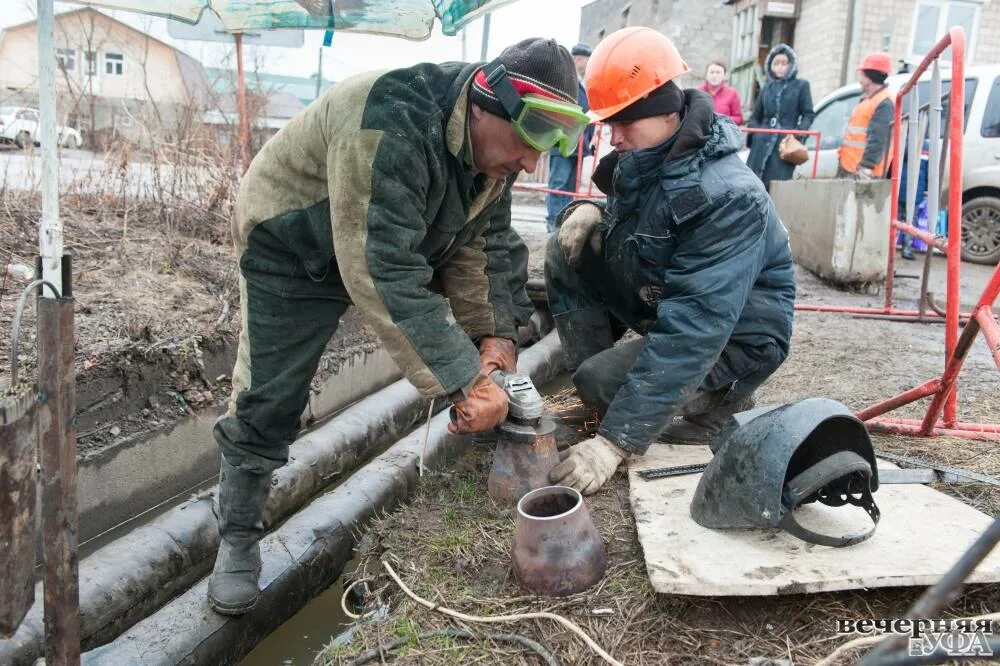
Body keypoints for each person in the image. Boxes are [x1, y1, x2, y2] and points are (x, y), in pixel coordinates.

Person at [207, 38, 589, 615]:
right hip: (293, 243)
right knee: (271, 396)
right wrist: (465, 382)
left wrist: (495, 339)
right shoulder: (390, 120)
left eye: (546, 148)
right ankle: (236, 534)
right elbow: (381, 271)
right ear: (486, 105)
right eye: (527, 143)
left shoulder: (494, 150)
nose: (533, 164)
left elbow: (480, 245)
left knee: (479, 331)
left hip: (392, 233)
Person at [544, 27, 795, 496]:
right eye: (607, 123)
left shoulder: (730, 197)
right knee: (566, 247)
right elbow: (644, 233)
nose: (613, 137)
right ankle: (598, 397)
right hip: (671, 299)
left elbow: (695, 326)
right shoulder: (649, 154)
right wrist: (590, 211)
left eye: (623, 122)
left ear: (663, 110)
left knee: (602, 381)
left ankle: (713, 406)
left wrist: (615, 444)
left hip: (737, 336)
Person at [746, 43, 814, 190]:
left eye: (784, 63)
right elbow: (755, 117)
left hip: (784, 144)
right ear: (771, 66)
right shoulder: (767, 88)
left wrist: (797, 135)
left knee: (777, 186)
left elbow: (808, 114)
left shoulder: (801, 85)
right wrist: (758, 133)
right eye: (776, 63)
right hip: (761, 144)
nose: (780, 67)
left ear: (791, 65)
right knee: (753, 184)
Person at [544, 42, 596, 232]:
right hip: (563, 140)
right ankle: (553, 222)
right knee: (559, 183)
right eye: (586, 60)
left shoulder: (582, 82)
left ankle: (563, 221)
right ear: (578, 59)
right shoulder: (566, 79)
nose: (588, 64)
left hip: (579, 144)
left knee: (570, 186)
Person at [837, 51, 894, 181]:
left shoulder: (884, 103)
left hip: (864, 173)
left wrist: (866, 166)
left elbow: (879, 139)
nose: (860, 79)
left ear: (869, 77)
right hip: (851, 167)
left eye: (861, 74)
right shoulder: (870, 100)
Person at [699, 60, 743, 125]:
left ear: (724, 76)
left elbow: (739, 119)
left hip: (723, 132)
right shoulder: (698, 92)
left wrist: (721, 119)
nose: (714, 75)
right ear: (706, 75)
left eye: (718, 72)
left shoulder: (732, 93)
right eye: (711, 72)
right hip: (703, 132)